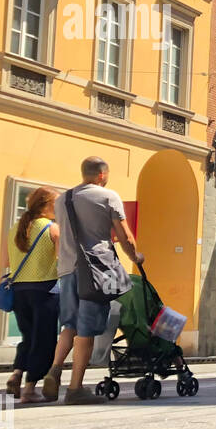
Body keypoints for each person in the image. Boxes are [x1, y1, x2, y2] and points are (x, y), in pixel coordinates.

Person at [53, 157, 142, 405]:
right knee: (87, 330)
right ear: (102, 175)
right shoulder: (108, 196)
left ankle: (54, 370)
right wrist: (136, 257)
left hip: (67, 271)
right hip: (94, 273)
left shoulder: (63, 199)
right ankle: (75, 388)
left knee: (68, 326)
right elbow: (124, 236)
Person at [4, 187, 61, 404]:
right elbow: (62, 260)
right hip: (45, 290)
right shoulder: (52, 229)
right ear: (46, 205)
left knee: (28, 337)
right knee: (44, 340)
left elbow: (6, 263)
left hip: (19, 291)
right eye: (56, 204)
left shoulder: (15, 229)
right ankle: (29, 389)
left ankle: (17, 373)